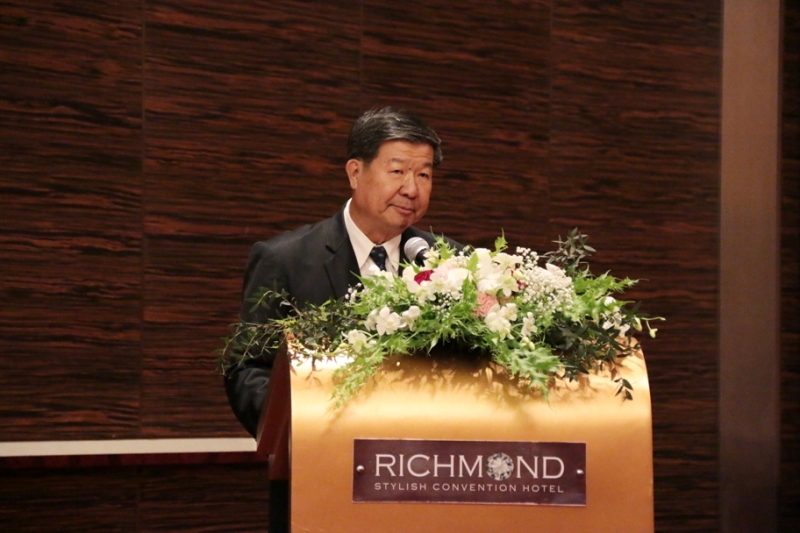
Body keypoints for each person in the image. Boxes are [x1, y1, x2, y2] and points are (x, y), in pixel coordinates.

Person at [224, 107, 458, 437]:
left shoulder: (451, 264)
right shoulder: (286, 260)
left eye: (424, 175)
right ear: (355, 173)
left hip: (425, 456)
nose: (411, 189)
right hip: (323, 452)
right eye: (397, 171)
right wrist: (302, 433)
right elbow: (249, 370)